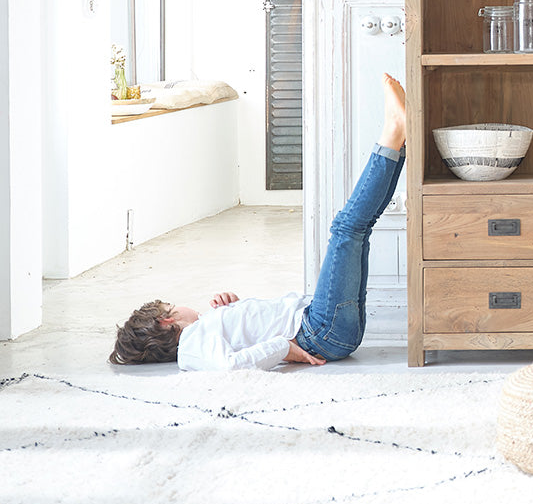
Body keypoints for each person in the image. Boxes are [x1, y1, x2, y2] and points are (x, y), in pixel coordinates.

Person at [110, 74, 407, 371]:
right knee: (346, 229)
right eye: (173, 307)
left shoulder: (205, 327)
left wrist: (234, 307)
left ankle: (399, 140)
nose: (184, 307)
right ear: (168, 320)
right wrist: (285, 349)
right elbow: (230, 365)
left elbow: (248, 334)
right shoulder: (191, 345)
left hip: (327, 328)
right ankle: (394, 132)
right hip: (319, 330)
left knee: (358, 229)